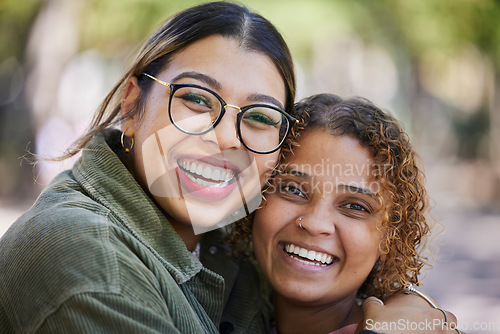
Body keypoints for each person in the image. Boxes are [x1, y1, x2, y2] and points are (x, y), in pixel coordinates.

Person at [0, 2, 456, 333]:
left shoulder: (223, 240)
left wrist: (410, 306)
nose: (225, 138)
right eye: (197, 99)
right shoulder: (90, 263)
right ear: (133, 104)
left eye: (258, 118)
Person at [230, 93, 460, 333]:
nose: (315, 223)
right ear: (257, 197)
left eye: (355, 206)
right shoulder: (212, 305)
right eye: (292, 189)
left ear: (389, 240)